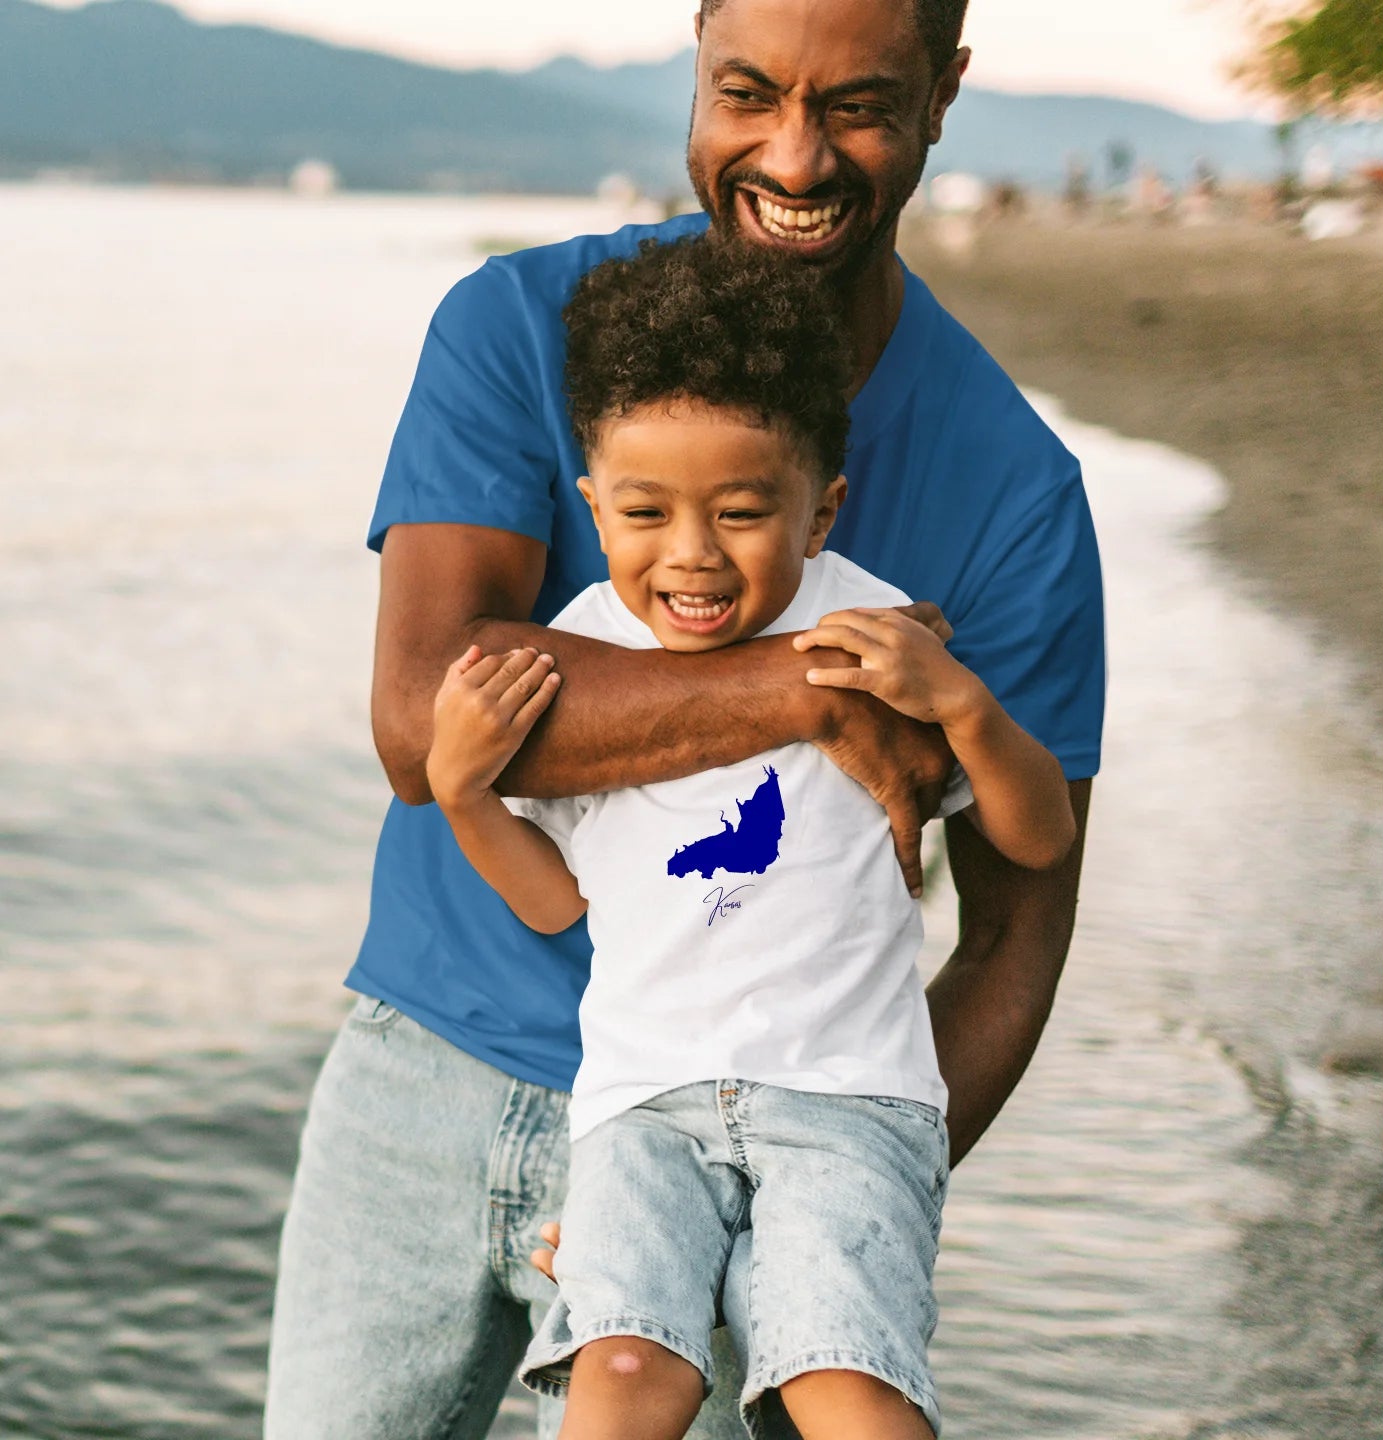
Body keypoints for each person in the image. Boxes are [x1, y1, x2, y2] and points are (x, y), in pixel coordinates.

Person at [263, 0, 1105, 1435]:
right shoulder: (517, 329)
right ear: (696, 70)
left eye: (855, 105)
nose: (793, 153)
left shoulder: (1014, 488)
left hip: (755, 1135)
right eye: (748, 92)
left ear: (945, 92)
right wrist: (806, 691)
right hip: (426, 1074)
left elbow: (1020, 923)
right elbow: (422, 725)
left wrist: (832, 1200)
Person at [425, 237, 1077, 1440]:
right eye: (644, 512)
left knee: (845, 1385)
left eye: (740, 511)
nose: (692, 553)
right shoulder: (575, 653)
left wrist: (967, 709)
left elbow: (1034, 841)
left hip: (847, 1099)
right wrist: (465, 796)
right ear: (592, 506)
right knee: (621, 1378)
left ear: (820, 507)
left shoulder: (880, 636)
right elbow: (555, 904)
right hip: (645, 1107)